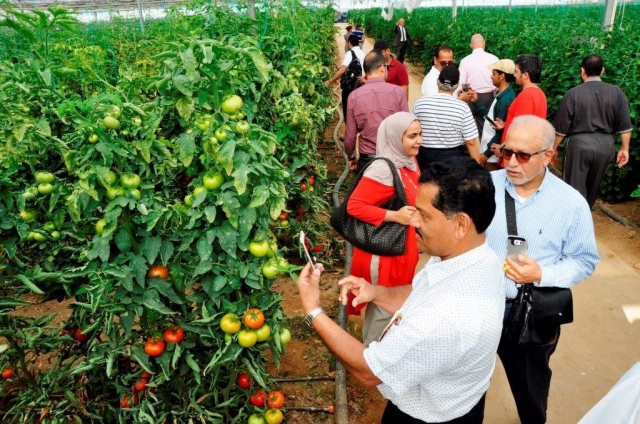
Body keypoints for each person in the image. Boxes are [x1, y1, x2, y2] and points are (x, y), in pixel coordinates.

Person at [297, 157, 505, 423]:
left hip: (426, 416)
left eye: (424, 215)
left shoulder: (447, 317)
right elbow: (421, 295)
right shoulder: (479, 259)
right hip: (458, 402)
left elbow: (369, 370)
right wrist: (377, 292)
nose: (413, 222)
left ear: (461, 224)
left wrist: (313, 310)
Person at [485, 115, 599, 424]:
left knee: (530, 388)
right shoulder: (485, 188)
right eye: (506, 152)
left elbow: (585, 260)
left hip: (529, 315)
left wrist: (542, 275)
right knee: (467, 384)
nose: (510, 162)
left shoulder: (571, 204)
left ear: (548, 155)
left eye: (522, 155)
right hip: (479, 307)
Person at [345, 112, 421, 346]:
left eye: (420, 134)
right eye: (412, 136)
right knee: (384, 306)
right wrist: (395, 216)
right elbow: (354, 206)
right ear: (395, 138)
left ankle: (372, 349)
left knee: (386, 304)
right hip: (384, 252)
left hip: (402, 246)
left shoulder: (408, 161)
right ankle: (372, 358)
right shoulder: (383, 169)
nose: (419, 141)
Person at [553, 54, 632, 208]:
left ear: (582, 70)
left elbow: (561, 128)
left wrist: (553, 148)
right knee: (592, 189)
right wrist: (624, 149)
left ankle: (574, 221)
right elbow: (625, 126)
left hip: (579, 145)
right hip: (605, 146)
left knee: (573, 189)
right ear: (602, 70)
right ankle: (586, 215)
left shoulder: (573, 93)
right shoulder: (616, 92)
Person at [344, 51, 409, 171]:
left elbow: (350, 136)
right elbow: (406, 129)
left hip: (368, 161)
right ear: (382, 68)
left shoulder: (354, 96)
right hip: (394, 159)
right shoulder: (398, 93)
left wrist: (351, 156)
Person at [412, 66, 480, 170]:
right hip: (453, 156)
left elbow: (412, 127)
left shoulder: (420, 103)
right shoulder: (462, 107)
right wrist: (477, 168)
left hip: (424, 154)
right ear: (457, 85)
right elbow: (471, 142)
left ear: (438, 82)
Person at [470, 59, 516, 170]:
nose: (491, 76)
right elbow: (490, 119)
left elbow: (500, 132)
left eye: (494, 73)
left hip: (493, 155)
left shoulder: (506, 100)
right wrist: (476, 101)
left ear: (502, 76)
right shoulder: (502, 95)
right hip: (490, 151)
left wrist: (486, 154)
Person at [494, 55, 547, 148]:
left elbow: (521, 130)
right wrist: (506, 124)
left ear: (525, 75)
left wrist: (503, 148)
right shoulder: (540, 93)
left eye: (516, 72)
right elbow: (530, 123)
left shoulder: (525, 96)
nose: (514, 75)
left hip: (517, 152)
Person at [458, 34, 499, 133]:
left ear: (471, 45)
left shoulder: (465, 61)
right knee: (484, 127)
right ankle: (482, 147)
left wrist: (466, 92)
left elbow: (462, 82)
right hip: (488, 97)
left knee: (466, 126)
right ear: (484, 43)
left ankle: (468, 147)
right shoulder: (494, 59)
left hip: (470, 95)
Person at [324, 34, 365, 125]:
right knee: (357, 110)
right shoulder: (362, 53)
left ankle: (349, 136)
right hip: (361, 85)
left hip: (351, 87)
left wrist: (330, 81)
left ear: (349, 43)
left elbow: (342, 70)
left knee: (348, 110)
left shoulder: (350, 53)